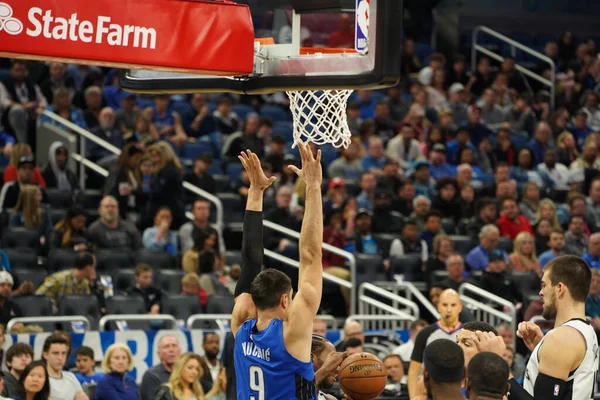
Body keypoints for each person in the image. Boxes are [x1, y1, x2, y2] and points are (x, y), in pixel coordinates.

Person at [232, 143, 323, 399]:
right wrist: (313, 188)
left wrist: (256, 190)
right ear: (285, 299)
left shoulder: (241, 326)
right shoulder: (292, 333)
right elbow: (310, 254)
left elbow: (250, 261)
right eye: (291, 297)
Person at [509, 255, 599, 399]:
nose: (540, 292)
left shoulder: (562, 339)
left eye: (544, 285)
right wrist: (541, 347)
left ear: (559, 288)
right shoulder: (587, 329)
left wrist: (503, 375)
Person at [408, 289, 463, 399]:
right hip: (430, 393)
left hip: (461, 392)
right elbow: (413, 372)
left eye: (453, 305)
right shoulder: (425, 334)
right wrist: (414, 397)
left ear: (460, 307)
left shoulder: (468, 333)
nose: (449, 309)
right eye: (444, 305)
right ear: (438, 306)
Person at [151, 353, 223, 400]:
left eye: (197, 369)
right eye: (190, 367)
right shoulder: (166, 391)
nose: (194, 372)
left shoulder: (197, 391)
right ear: (180, 368)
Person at [42, 334, 88, 400]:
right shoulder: (41, 380)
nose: (60, 358)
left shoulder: (70, 376)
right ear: (45, 355)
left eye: (63, 353)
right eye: (55, 353)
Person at [140, 336, 182, 400]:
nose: (171, 350)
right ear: (159, 353)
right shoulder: (151, 375)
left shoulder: (185, 373)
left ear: (179, 351)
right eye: (166, 347)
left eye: (174, 346)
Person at [310, 335, 347, 400]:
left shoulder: (329, 399)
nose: (338, 369)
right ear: (311, 358)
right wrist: (325, 369)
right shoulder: (289, 391)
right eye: (331, 360)